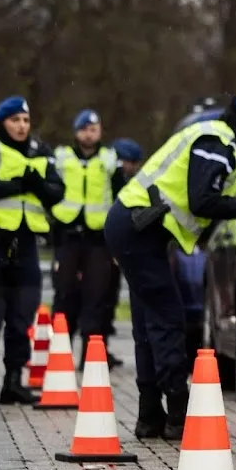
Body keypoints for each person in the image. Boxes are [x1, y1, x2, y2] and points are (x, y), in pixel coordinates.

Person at [104, 91, 236, 440]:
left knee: (149, 321)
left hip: (136, 227)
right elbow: (202, 200)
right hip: (137, 228)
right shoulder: (217, 142)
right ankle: (177, 414)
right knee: (168, 318)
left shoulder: (221, 141)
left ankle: (151, 417)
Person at [0, 96, 65, 406]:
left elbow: (56, 193)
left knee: (22, 317)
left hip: (26, 246)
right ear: (2, 121)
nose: (22, 126)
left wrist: (32, 183)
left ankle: (13, 381)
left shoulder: (40, 151)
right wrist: (24, 184)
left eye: (25, 120)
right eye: (15, 120)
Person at [50, 110, 124, 369]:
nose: (89, 133)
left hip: (98, 239)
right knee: (65, 295)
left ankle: (91, 358)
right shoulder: (61, 158)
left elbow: (119, 196)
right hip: (68, 236)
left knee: (97, 298)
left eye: (94, 128)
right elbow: (50, 191)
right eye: (85, 129)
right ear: (76, 131)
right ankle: (59, 356)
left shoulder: (109, 159)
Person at [101, 137, 145, 365]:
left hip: (110, 246)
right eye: (132, 163)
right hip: (102, 247)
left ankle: (102, 348)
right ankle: (96, 350)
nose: (134, 168)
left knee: (108, 299)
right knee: (101, 299)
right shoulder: (115, 180)